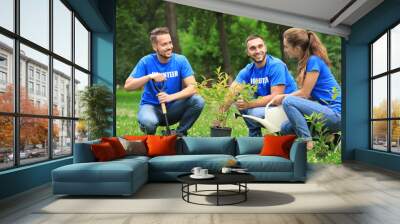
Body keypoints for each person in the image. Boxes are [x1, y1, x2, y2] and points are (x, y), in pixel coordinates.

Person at [124, 27, 205, 136]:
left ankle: (177, 134)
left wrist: (170, 97)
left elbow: (193, 87)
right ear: (155, 47)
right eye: (164, 44)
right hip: (150, 107)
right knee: (149, 122)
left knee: (198, 100)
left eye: (170, 43)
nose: (169, 47)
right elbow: (128, 86)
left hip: (173, 109)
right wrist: (149, 76)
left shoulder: (181, 60)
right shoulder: (146, 62)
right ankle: (150, 137)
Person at [272, 28, 342, 150]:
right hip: (325, 112)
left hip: (336, 115)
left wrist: (282, 97)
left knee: (288, 101)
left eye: (286, 46)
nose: (285, 50)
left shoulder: (314, 60)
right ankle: (330, 139)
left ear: (297, 48)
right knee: (285, 128)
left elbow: (304, 93)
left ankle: (307, 142)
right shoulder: (307, 62)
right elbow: (307, 97)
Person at [217, 35, 297, 137]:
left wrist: (249, 104)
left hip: (286, 107)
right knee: (239, 99)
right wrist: (219, 117)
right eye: (252, 48)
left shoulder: (276, 65)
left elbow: (276, 97)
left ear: (265, 48)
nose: (257, 50)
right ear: (248, 52)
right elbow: (231, 93)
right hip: (271, 106)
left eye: (260, 46)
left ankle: (283, 134)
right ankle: (255, 137)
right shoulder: (248, 70)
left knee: (253, 113)